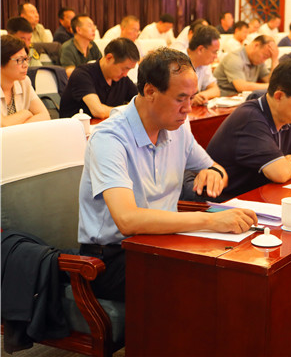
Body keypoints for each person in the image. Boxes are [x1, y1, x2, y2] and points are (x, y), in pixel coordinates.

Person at [77, 47, 257, 302]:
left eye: (191, 98)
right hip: (113, 257)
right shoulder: (109, 138)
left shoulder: (177, 128)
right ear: (150, 91)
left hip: (164, 242)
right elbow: (127, 220)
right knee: (206, 285)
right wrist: (210, 221)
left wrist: (214, 173)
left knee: (239, 266)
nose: (188, 109)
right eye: (180, 99)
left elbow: (214, 167)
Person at [202, 59, 291, 198]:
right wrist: (288, 165)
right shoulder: (250, 118)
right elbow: (280, 173)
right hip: (225, 202)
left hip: (259, 197)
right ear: (279, 96)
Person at [60, 38, 139, 119]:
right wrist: (129, 109)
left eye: (129, 70)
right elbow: (98, 111)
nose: (125, 74)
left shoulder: (122, 78)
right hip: (76, 126)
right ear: (109, 58)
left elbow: (140, 102)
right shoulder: (82, 75)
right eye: (124, 69)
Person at [1, 35, 50, 126]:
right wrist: (25, 113)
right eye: (20, 60)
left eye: (26, 59)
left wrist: (19, 127)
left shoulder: (24, 82)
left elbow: (45, 115)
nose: (26, 65)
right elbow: (2, 125)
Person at [213, 35, 279, 96]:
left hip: (241, 98)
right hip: (224, 98)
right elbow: (242, 87)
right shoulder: (234, 58)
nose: (264, 60)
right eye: (265, 56)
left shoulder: (258, 60)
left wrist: (275, 59)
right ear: (256, 45)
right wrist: (271, 86)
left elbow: (272, 81)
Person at [185, 25, 221, 105]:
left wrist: (200, 96)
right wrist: (191, 99)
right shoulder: (178, 62)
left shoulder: (204, 64)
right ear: (200, 49)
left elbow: (216, 90)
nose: (216, 57)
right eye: (214, 52)